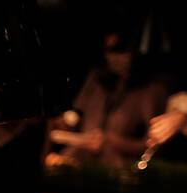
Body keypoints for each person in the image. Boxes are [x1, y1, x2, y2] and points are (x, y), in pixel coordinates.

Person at [51, 29, 168, 168]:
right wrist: (63, 124)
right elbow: (74, 118)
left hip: (117, 169)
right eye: (109, 51)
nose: (113, 58)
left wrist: (111, 141)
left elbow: (152, 145)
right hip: (77, 162)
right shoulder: (96, 81)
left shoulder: (150, 91)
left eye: (120, 51)